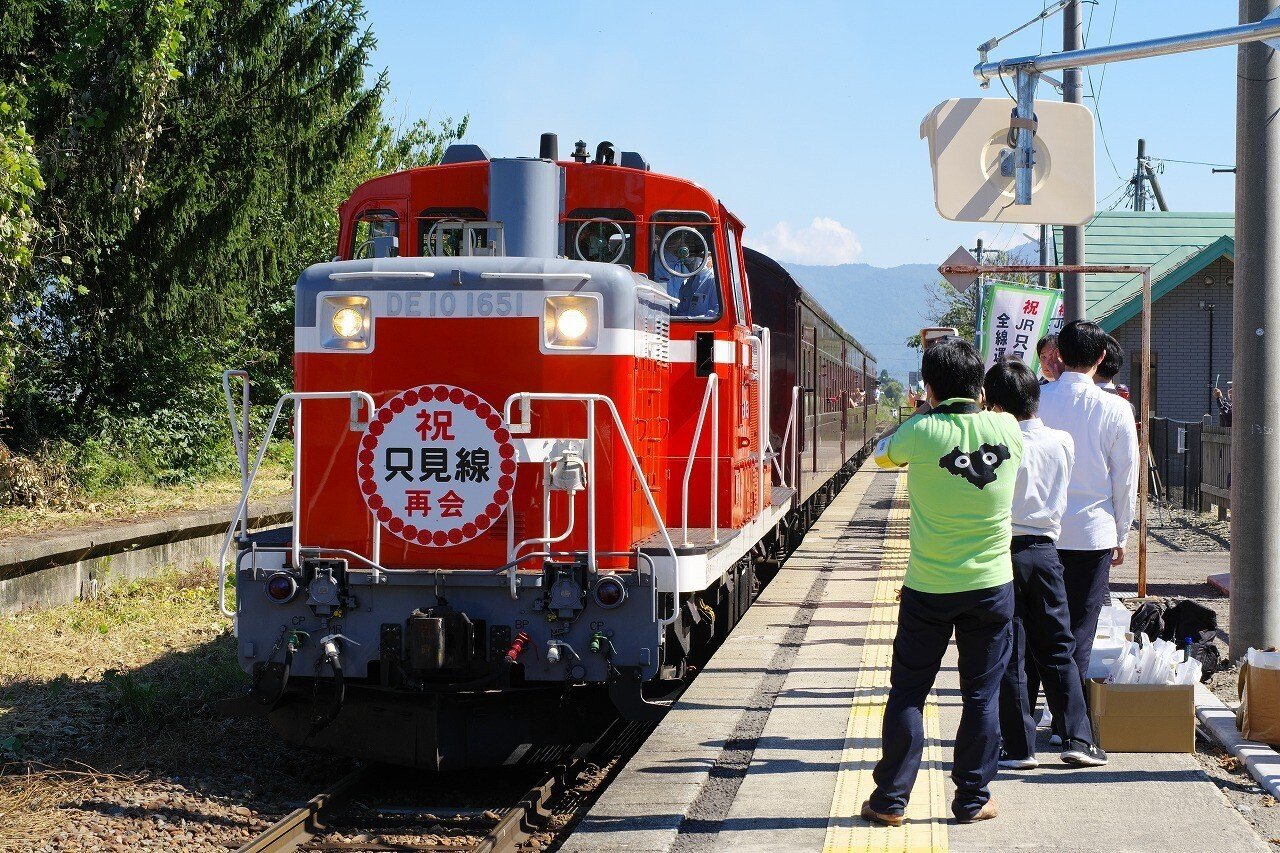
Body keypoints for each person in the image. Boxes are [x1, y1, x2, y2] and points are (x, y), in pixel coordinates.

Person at [862, 337, 1022, 827]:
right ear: (979, 384)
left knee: (909, 691)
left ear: (928, 386)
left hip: (928, 586)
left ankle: (891, 800)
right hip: (992, 585)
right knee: (981, 692)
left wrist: (918, 414)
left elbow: (881, 458)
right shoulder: (1007, 427)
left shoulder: (921, 431)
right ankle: (973, 799)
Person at [983, 359, 1109, 770]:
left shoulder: (994, 446)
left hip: (1002, 550)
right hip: (1046, 552)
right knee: (1058, 645)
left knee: (1010, 648)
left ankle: (1019, 747)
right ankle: (1078, 737)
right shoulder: (1062, 441)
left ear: (995, 405)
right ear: (1035, 398)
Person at [1038, 321, 1139, 704]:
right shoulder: (1116, 408)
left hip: (1039, 531)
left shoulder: (1037, 401)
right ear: (1101, 358)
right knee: (1080, 628)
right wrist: (1122, 533)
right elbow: (1125, 479)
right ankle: (1070, 721)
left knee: (1040, 625)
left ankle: (1031, 716)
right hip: (1094, 532)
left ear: (1059, 356)